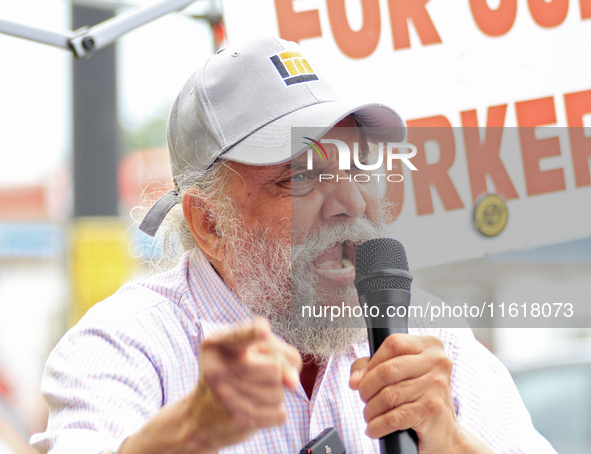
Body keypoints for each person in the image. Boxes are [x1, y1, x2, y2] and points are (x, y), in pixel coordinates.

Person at [31, 36, 555, 454]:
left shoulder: (430, 336)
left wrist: (452, 443)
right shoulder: (126, 344)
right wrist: (193, 429)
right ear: (211, 223)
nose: (351, 201)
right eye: (303, 176)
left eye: (360, 167)